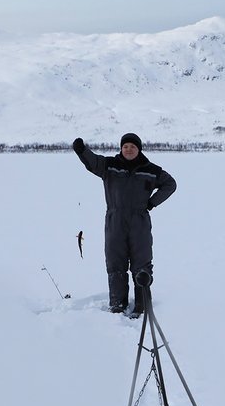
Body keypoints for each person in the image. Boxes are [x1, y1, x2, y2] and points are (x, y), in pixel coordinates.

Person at [72, 133, 177, 317]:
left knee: (142, 263)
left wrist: (152, 202)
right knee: (115, 263)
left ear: (139, 149)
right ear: (121, 148)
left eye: (133, 147)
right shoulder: (110, 165)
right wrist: (82, 150)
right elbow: (93, 162)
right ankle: (117, 304)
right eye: (125, 146)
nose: (129, 149)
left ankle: (142, 305)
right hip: (115, 221)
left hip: (139, 222)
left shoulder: (151, 170)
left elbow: (170, 184)